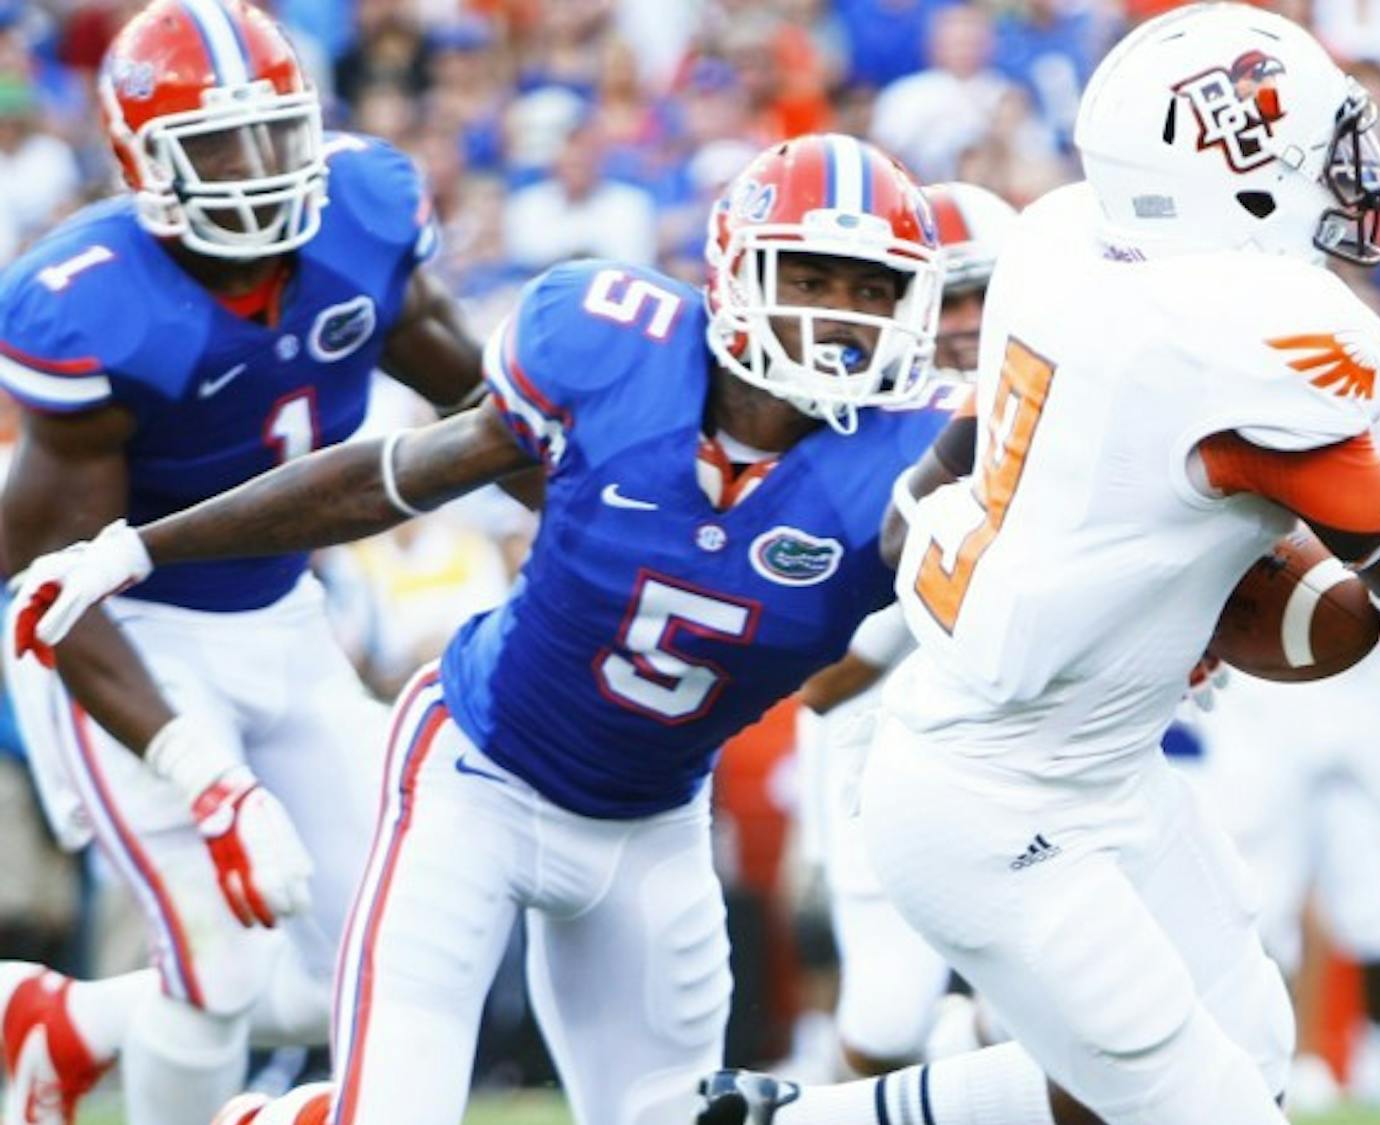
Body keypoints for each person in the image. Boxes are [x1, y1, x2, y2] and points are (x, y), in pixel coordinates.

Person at [9, 132, 955, 1125]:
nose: (841, 315)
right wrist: (141, 548)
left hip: (652, 826)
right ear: (734, 272)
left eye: (874, 289)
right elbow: (390, 478)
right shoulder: (613, 349)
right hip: (475, 777)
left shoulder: (912, 466)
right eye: (810, 277)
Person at [699, 4, 1380, 1123]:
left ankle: (794, 1119)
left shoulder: (1066, 244)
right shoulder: (1257, 354)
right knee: (1205, 1107)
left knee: (1242, 1053)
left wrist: (1156, 584)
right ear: (1236, 180)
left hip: (1092, 764)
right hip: (998, 797)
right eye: (1323, 154)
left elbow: (929, 490)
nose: (1353, 178)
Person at [0, 2, 486, 1124]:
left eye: (274, 132)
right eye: (217, 145)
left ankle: (69, 1026)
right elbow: (53, 583)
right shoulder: (95, 304)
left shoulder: (364, 214)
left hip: (285, 616)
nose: (257, 168)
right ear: (142, 160)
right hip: (121, 633)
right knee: (215, 965)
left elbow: (485, 411)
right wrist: (202, 776)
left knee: (395, 942)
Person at [1190, 346, 1380, 1119]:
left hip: (1373, 672)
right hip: (1266, 683)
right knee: (1253, 899)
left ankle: (1372, 1068)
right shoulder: (1221, 368)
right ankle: (1257, 1084)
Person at [796, 180, 1012, 1080]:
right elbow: (824, 680)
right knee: (886, 1021)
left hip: (1024, 738)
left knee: (1042, 1010)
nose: (966, 324)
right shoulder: (843, 424)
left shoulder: (1056, 413)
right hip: (876, 736)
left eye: (982, 295)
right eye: (946, 300)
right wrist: (939, 597)